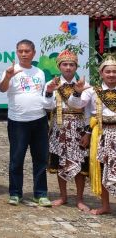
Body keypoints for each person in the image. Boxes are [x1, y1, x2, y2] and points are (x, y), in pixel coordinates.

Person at [0, 39, 51, 207]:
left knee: (41, 159)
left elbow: (42, 95)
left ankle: (40, 193)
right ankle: (15, 193)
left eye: (27, 51)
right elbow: (2, 89)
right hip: (18, 122)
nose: (23, 54)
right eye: (20, 51)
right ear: (16, 52)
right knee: (16, 159)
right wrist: (7, 76)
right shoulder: (11, 71)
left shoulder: (39, 72)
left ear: (33, 53)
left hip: (40, 121)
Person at [68, 54, 116, 215]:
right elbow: (75, 105)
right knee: (102, 168)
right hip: (100, 134)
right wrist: (77, 92)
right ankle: (105, 205)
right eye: (108, 71)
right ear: (101, 73)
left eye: (114, 72)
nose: (111, 75)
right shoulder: (92, 91)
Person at [43, 49, 90, 211]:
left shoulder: (86, 86)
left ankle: (79, 199)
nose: (68, 68)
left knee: (79, 163)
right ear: (59, 66)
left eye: (71, 64)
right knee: (60, 162)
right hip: (59, 127)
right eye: (65, 64)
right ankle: (63, 196)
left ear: (76, 67)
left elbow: (83, 107)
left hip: (78, 128)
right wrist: (49, 92)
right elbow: (47, 106)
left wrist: (88, 132)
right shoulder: (52, 85)